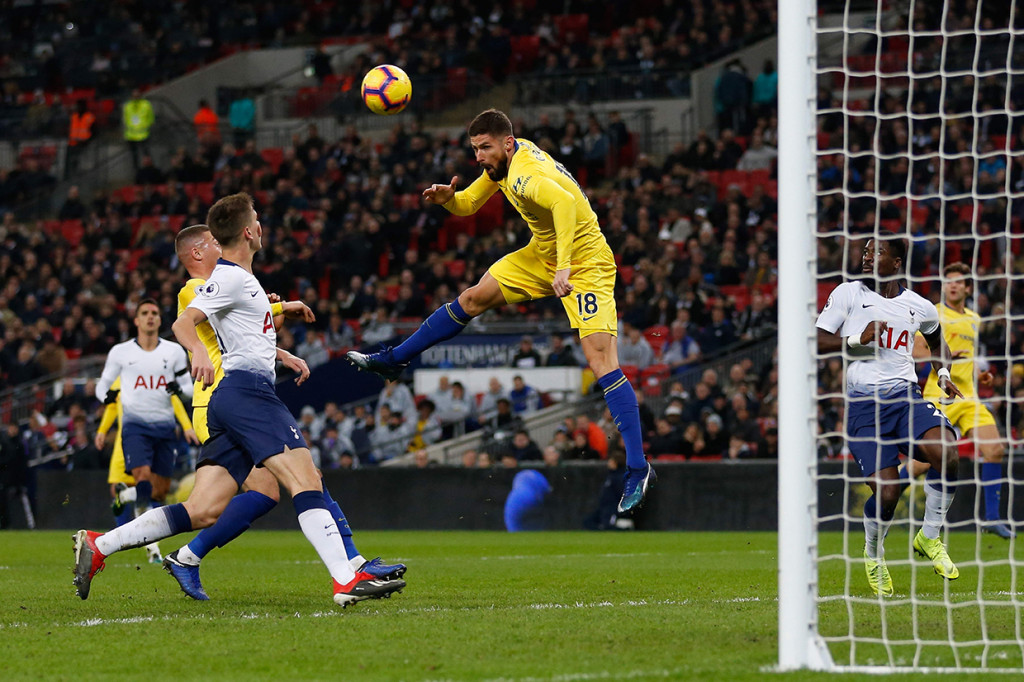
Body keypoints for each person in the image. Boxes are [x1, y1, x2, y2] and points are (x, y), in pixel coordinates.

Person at [73, 194, 405, 606]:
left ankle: (99, 545)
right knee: (304, 479)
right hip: (247, 394)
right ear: (250, 231)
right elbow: (183, 322)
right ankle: (346, 577)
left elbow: (242, 330)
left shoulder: (241, 280)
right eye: (258, 219)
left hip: (232, 397)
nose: (262, 224)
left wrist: (279, 350)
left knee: (203, 508)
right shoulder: (228, 278)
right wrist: (195, 350)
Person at [347, 109, 654, 512]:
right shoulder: (501, 165)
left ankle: (637, 467)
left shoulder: (524, 171)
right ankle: (393, 360)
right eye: (474, 149)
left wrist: (564, 267)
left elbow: (563, 204)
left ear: (507, 143)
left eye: (484, 148)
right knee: (472, 298)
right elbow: (469, 204)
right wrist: (448, 201)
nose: (478, 156)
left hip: (584, 261)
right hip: (543, 252)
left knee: (600, 359)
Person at [160, 223, 405, 601]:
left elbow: (242, 331)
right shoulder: (198, 287)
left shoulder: (228, 280)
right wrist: (277, 306)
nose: (220, 246)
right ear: (196, 253)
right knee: (252, 493)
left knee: (295, 479)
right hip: (222, 399)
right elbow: (205, 326)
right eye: (211, 242)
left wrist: (278, 340)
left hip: (242, 395)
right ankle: (182, 554)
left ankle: (353, 563)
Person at [816, 234, 963, 597]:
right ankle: (873, 554)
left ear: (896, 262)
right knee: (887, 491)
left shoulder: (918, 306)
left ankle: (929, 537)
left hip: (905, 398)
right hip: (864, 406)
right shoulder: (848, 294)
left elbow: (936, 338)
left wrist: (942, 374)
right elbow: (815, 341)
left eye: (876, 252)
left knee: (947, 450)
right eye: (865, 252)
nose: (867, 257)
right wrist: (855, 341)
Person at [912, 262, 1014, 538]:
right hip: (939, 395)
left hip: (969, 396)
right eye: (948, 281)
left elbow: (968, 355)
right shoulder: (934, 313)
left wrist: (981, 374)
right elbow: (917, 349)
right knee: (921, 465)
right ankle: (884, 494)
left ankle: (992, 519)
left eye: (958, 282)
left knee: (995, 450)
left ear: (968, 288)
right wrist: (942, 357)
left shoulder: (974, 318)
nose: (952, 285)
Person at [94, 299, 197, 563]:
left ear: (160, 320)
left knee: (159, 492)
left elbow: (188, 387)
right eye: (144, 313)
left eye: (154, 313)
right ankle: (151, 548)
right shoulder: (121, 352)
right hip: (134, 426)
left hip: (165, 428)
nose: (150, 317)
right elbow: (103, 384)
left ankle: (125, 494)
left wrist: (180, 391)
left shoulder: (174, 352)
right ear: (136, 320)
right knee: (142, 477)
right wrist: (104, 397)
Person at [95, 375, 195, 555]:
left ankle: (150, 543)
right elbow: (111, 408)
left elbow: (175, 402)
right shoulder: (119, 381)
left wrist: (187, 426)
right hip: (124, 443)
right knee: (120, 492)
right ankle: (124, 540)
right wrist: (102, 431)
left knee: (153, 492)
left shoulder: (156, 375)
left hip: (152, 441)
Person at [122, 89, 155, 170]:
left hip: (143, 134)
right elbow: (125, 119)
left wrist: (146, 126)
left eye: (137, 95)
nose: (135, 97)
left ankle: (149, 170)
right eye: (134, 95)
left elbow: (151, 118)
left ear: (140, 95)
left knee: (146, 154)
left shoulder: (146, 104)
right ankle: (137, 172)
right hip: (131, 135)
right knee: (134, 156)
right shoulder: (127, 106)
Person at [66, 99, 95, 179]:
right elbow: (70, 129)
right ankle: (72, 177)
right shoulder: (74, 116)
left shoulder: (89, 117)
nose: (78, 107)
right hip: (73, 143)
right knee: (73, 162)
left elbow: (94, 131)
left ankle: (84, 177)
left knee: (84, 163)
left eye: (79, 106)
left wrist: (88, 140)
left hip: (85, 144)